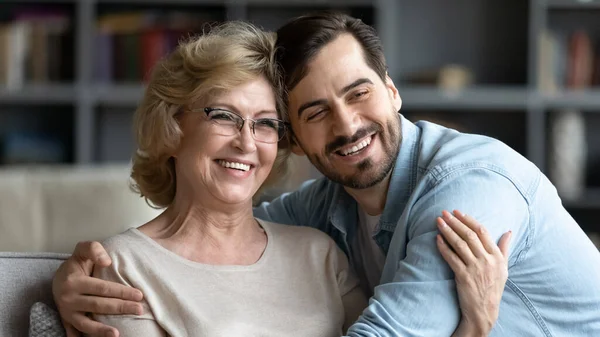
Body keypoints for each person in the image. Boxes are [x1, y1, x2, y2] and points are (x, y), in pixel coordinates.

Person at [52, 20, 509, 337]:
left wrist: (473, 328)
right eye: (224, 116)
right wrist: (53, 276)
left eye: (266, 123)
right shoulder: (123, 267)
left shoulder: (318, 250)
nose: (246, 143)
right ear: (172, 127)